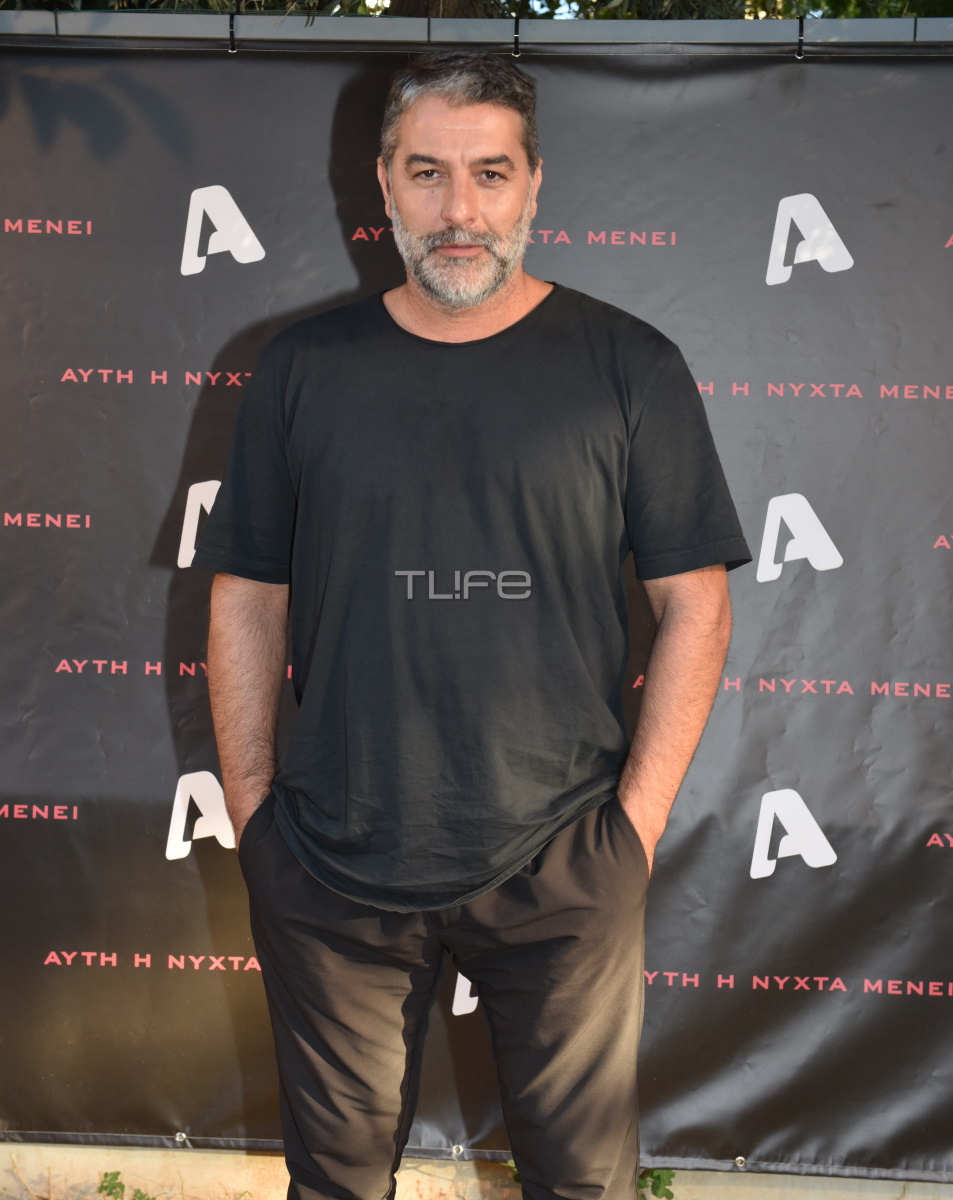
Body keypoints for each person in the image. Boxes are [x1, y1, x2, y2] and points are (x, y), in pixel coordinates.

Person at [193, 50, 751, 1200]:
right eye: (427, 173)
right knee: (335, 1184)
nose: (459, 210)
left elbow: (694, 602)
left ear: (533, 182)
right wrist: (255, 820)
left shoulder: (628, 367)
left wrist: (631, 831)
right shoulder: (298, 370)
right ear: (382, 184)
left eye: (489, 173)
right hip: (332, 868)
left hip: (561, 864)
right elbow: (246, 594)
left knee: (580, 1183)